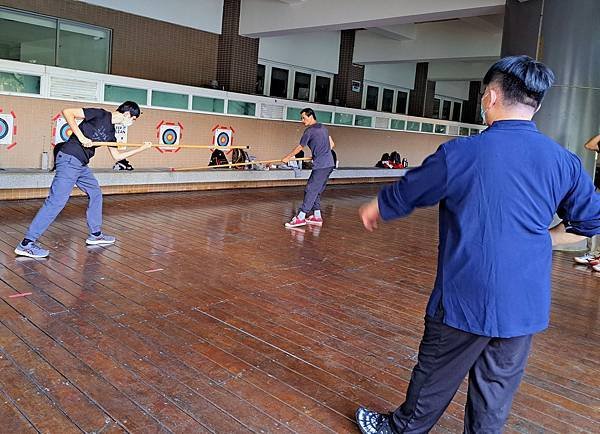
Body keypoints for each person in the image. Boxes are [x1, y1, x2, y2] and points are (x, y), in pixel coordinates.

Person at [355, 55, 600, 433]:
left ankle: (401, 429)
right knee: (495, 394)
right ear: (535, 105)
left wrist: (378, 206)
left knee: (435, 373)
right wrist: (542, 238)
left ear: (490, 97)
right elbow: (590, 221)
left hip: (463, 297)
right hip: (523, 302)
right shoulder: (563, 162)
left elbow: (412, 190)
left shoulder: (462, 153)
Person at [15, 101, 152, 258]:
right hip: (69, 158)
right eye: (133, 119)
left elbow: (117, 156)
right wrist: (81, 137)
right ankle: (26, 244)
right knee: (56, 202)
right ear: (128, 114)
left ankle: (96, 234)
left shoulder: (111, 133)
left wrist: (141, 149)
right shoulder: (100, 114)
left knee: (95, 193)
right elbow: (67, 112)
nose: (131, 122)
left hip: (81, 165)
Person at [282, 108, 335, 227]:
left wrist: (287, 157)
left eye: (304, 118)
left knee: (310, 190)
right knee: (316, 190)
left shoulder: (309, 131)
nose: (302, 120)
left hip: (321, 166)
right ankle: (317, 216)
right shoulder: (324, 128)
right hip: (329, 164)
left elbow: (300, 147)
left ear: (311, 116)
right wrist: (319, 153)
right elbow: (332, 144)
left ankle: (300, 217)